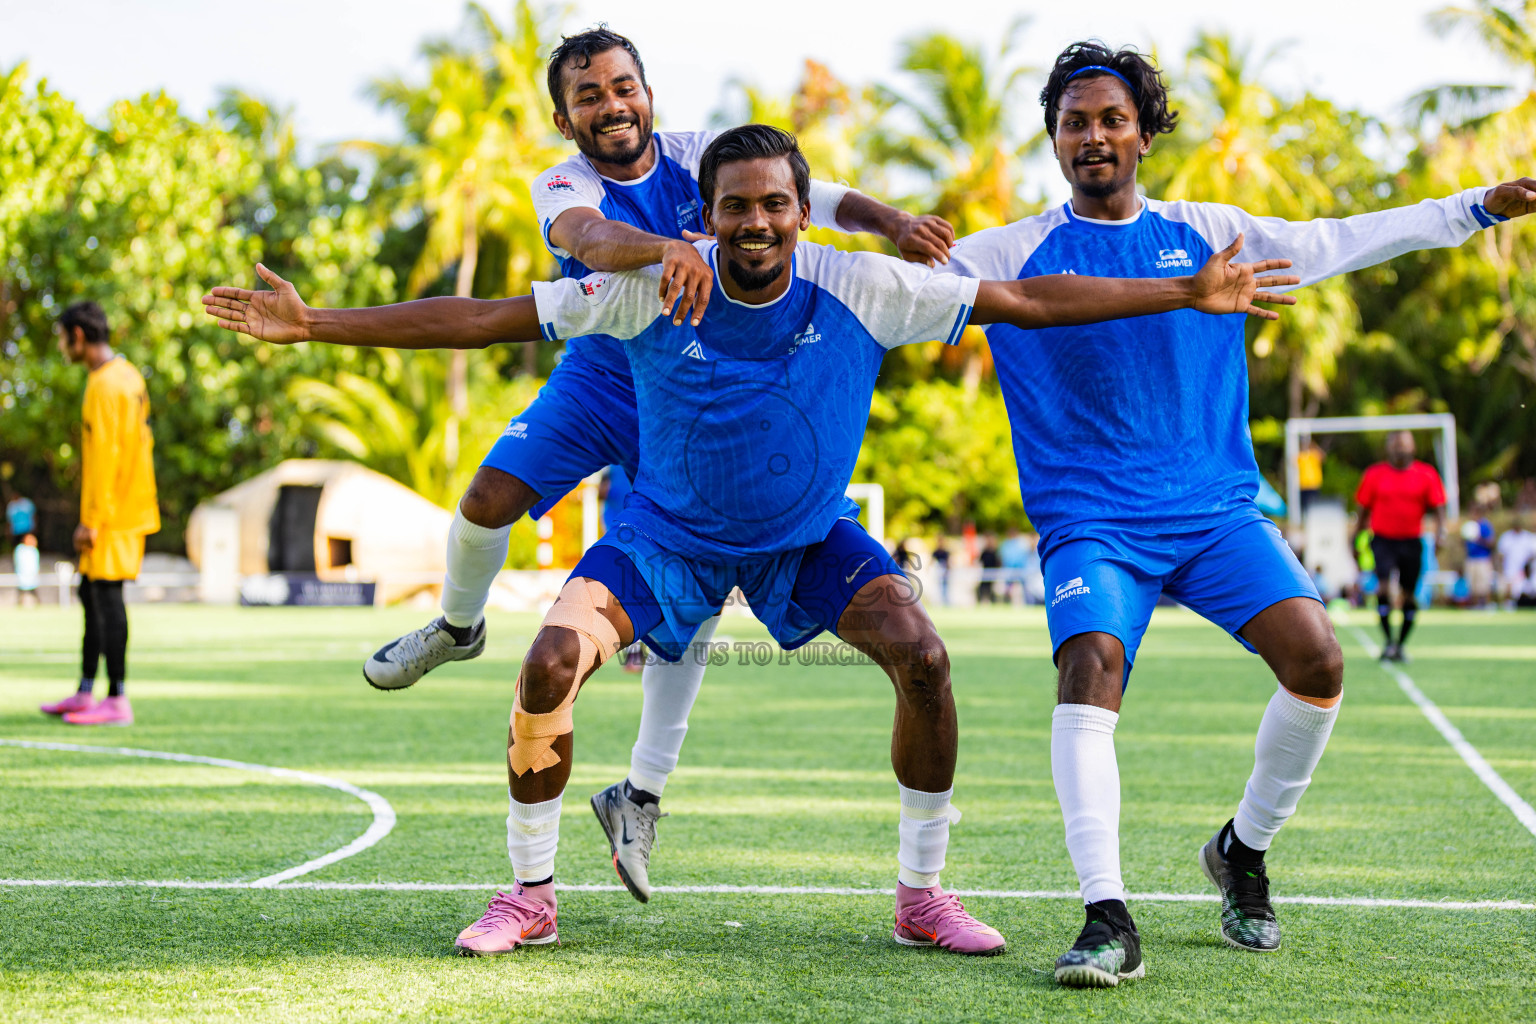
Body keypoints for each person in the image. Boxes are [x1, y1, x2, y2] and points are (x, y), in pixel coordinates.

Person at [203, 123, 1293, 958]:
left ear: (806, 210)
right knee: (546, 661)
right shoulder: (643, 286)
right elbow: (482, 314)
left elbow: (1025, 298)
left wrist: (1183, 291)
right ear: (707, 215)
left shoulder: (864, 282)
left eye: (776, 204)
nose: (757, 223)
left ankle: (922, 896)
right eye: (735, 208)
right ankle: (530, 896)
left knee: (923, 652)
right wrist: (317, 323)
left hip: (805, 537)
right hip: (666, 536)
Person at [940, 40, 1536, 987]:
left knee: (1320, 659)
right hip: (1093, 520)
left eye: (1110, 119)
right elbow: (881, 294)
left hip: (1214, 512)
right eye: (1073, 123)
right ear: (1052, 140)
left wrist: (1469, 208)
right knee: (1089, 668)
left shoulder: (1210, 232)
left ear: (1144, 132)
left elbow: (1341, 238)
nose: (1092, 136)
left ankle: (1242, 852)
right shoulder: (1004, 252)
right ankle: (1106, 916)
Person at [360, 27, 961, 901]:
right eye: (590, 95)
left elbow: (823, 197)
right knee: (489, 494)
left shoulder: (699, 159)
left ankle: (641, 793)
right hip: (611, 362)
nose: (612, 104)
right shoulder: (563, 183)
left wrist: (896, 222)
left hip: (687, 389)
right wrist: (668, 251)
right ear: (565, 119)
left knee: (698, 565)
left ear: (648, 91)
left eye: (623, 86)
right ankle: (457, 627)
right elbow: (591, 240)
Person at [40, 301, 160, 726]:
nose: (61, 346)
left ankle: (117, 698)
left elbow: (107, 458)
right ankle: (87, 690)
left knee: (108, 598)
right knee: (90, 593)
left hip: (113, 514)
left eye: (62, 337)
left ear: (77, 336)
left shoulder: (105, 385)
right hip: (127, 506)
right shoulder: (127, 374)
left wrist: (91, 520)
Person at [1353, 431, 1447, 661]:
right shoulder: (1375, 474)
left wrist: (1441, 533)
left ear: (1413, 447)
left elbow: (1439, 509)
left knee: (1409, 595)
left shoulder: (1426, 474)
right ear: (1388, 448)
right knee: (1384, 588)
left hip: (1412, 541)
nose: (1399, 448)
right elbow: (1363, 510)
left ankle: (1400, 644)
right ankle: (1387, 641)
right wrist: (1355, 538)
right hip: (1383, 540)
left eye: (1404, 444)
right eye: (1395, 444)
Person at [1496, 514, 1536, 608]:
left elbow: (1532, 554)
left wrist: (1527, 567)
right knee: (1508, 589)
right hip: (1509, 569)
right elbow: (1500, 555)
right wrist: (1500, 568)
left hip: (1523, 571)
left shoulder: (1528, 537)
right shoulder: (1506, 537)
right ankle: (1508, 604)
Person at [1461, 508, 1496, 609]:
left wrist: (1479, 538)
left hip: (1482, 559)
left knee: (1484, 584)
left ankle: (1486, 605)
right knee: (1472, 584)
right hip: (1471, 558)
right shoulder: (1469, 525)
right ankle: (1474, 605)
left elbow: (1491, 543)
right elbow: (1464, 543)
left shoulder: (1485, 525)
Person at [15, 532, 40, 606]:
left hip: (32, 576)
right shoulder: (20, 550)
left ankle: (38, 604)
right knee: (21, 594)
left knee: (34, 593)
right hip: (22, 576)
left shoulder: (33, 551)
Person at [976, 535, 1001, 604]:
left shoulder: (996, 552)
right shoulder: (985, 552)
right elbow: (979, 561)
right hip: (985, 573)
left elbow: (999, 563)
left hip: (993, 573)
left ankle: (993, 602)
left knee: (993, 589)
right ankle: (981, 601)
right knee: (982, 588)